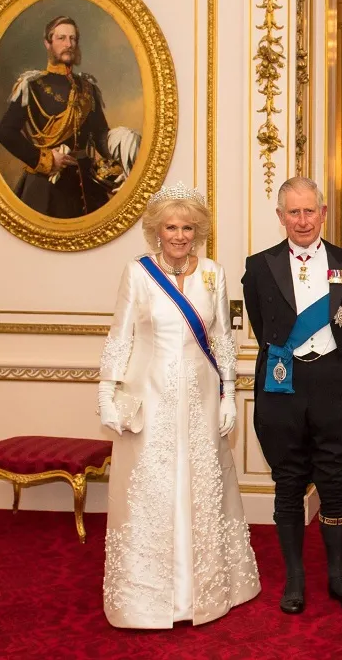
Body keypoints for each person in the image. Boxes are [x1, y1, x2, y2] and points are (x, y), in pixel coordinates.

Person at [96, 181, 260, 628]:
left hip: (203, 395)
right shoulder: (138, 273)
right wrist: (106, 393)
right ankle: (149, 598)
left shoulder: (212, 273)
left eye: (188, 227)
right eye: (171, 227)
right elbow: (120, 336)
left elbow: (224, 340)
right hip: (151, 396)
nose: (180, 235)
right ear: (156, 231)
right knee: (154, 489)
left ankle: (205, 591)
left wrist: (229, 394)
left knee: (203, 486)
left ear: (198, 231)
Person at [242, 177, 342, 615]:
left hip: (331, 386)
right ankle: (295, 579)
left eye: (309, 210)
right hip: (282, 387)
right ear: (280, 217)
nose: (302, 220)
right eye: (292, 212)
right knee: (289, 483)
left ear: (323, 212)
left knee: (335, 484)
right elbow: (262, 327)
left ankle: (337, 576)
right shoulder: (258, 266)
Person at [0, 16, 124, 218]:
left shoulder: (88, 88)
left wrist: (123, 151)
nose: (68, 44)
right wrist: (46, 159)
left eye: (73, 39)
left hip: (87, 186)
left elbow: (100, 136)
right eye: (61, 38)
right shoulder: (32, 85)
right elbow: (5, 132)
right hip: (46, 186)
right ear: (48, 43)